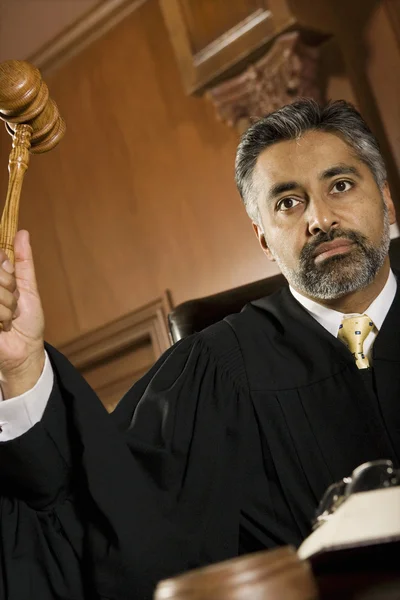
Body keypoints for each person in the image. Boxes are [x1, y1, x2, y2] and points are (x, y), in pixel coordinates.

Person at [0, 99, 398, 600]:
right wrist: (21, 370)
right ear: (263, 239)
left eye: (340, 186)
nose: (319, 218)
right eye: (287, 203)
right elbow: (96, 524)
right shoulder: (214, 372)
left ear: (386, 199)